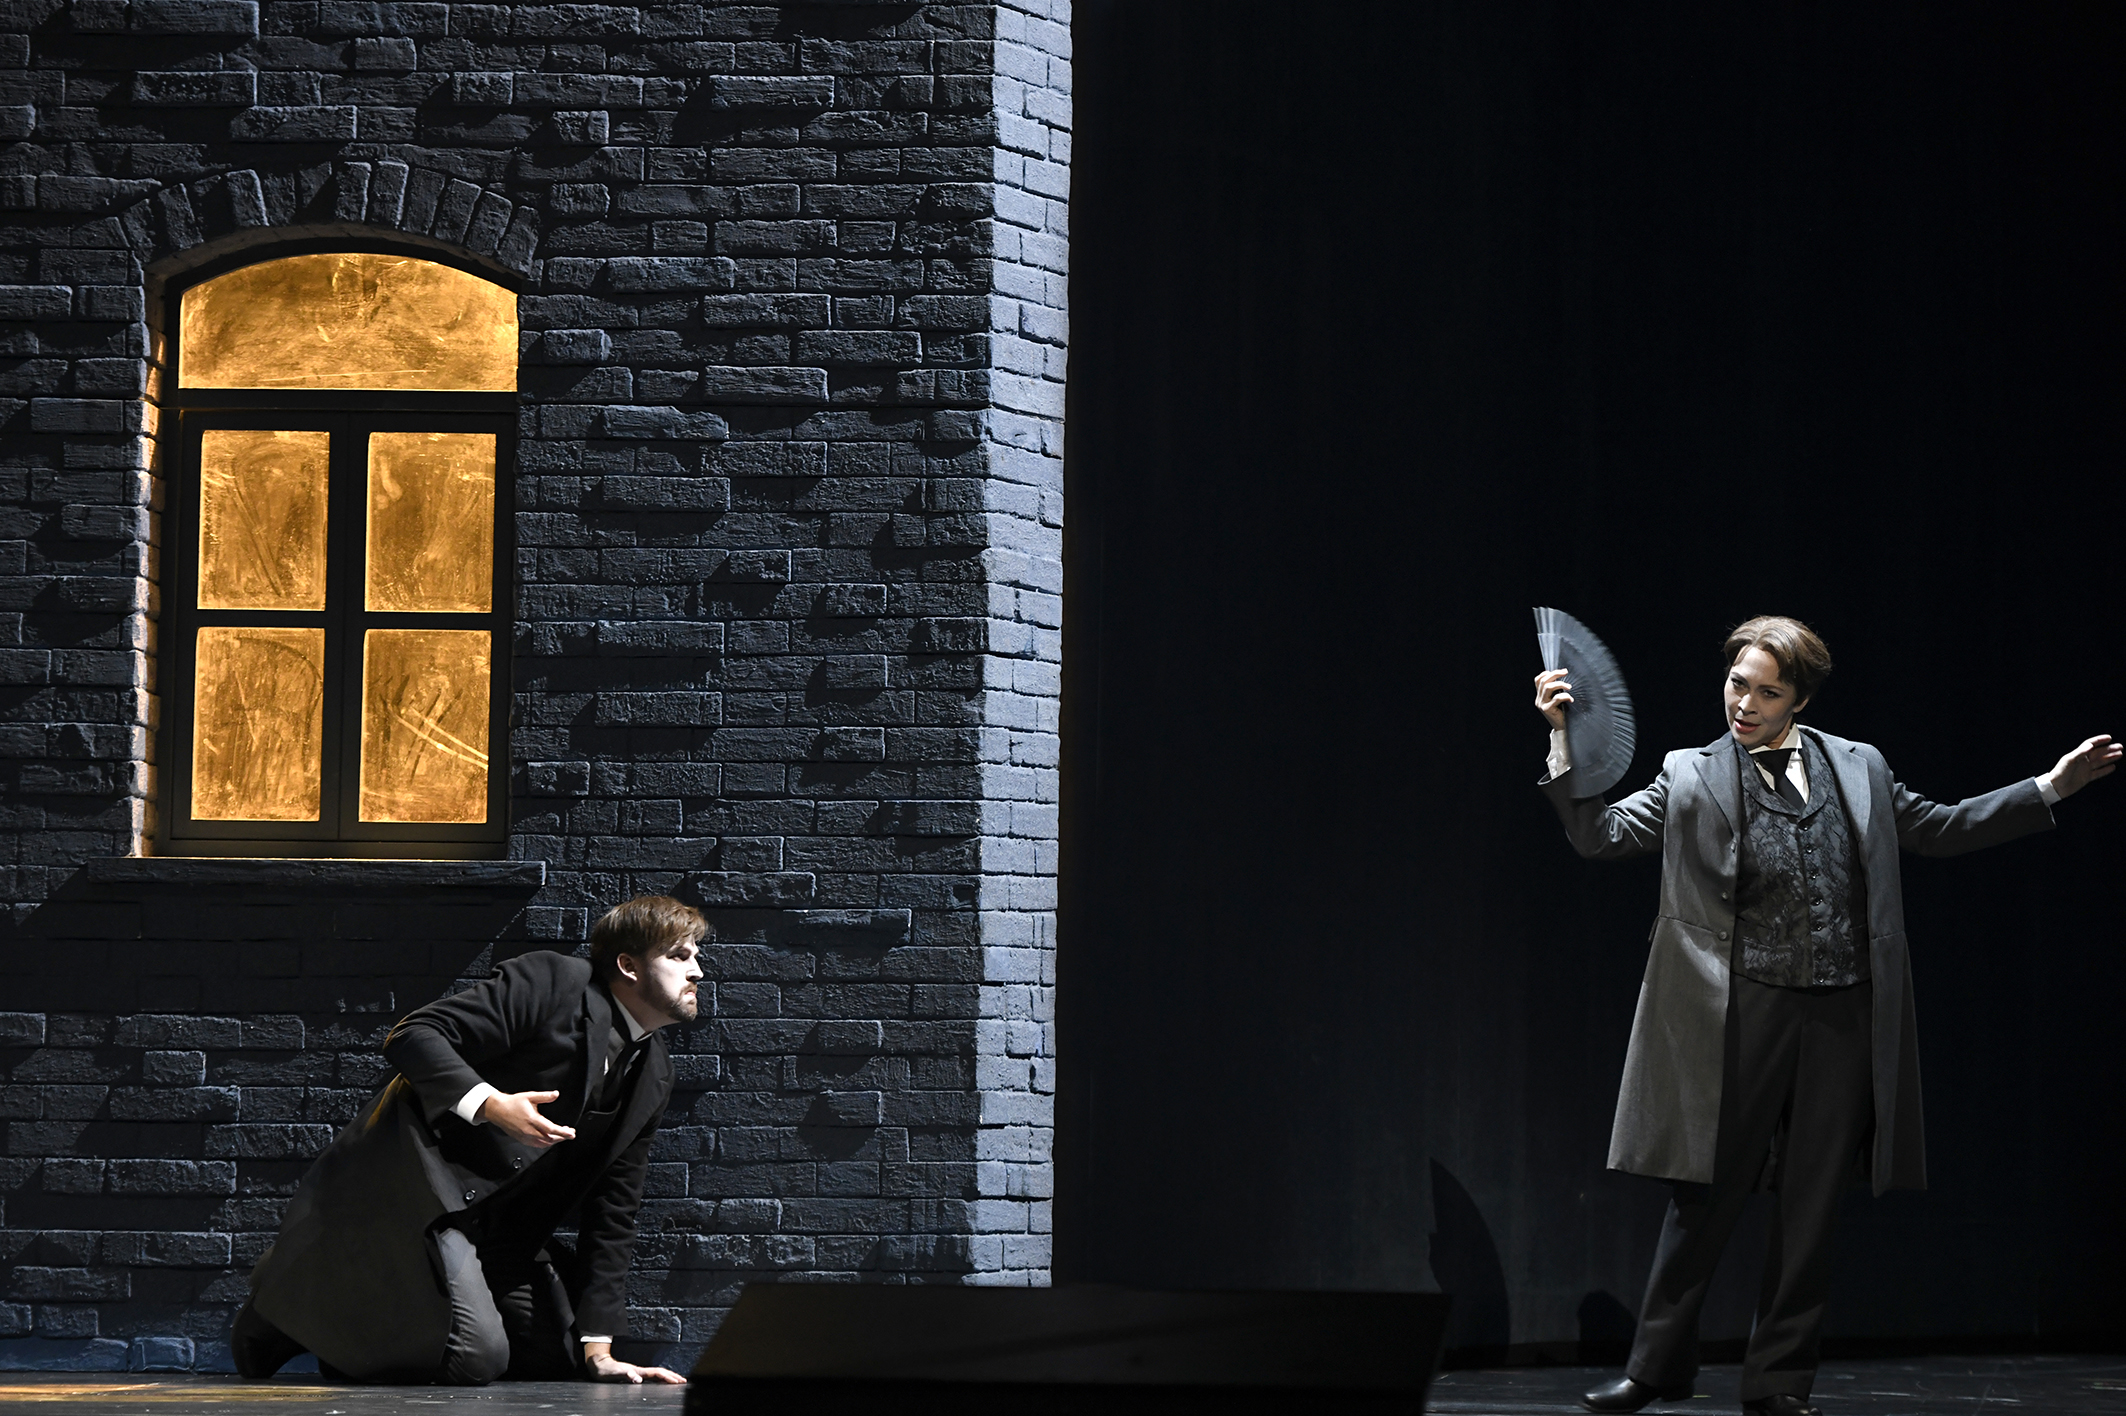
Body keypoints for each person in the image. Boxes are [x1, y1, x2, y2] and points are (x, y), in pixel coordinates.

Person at [1535, 616, 2116, 1416]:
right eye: (1738, 684)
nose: (1745, 704)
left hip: (1843, 1009)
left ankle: (1778, 1381)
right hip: (1741, 1008)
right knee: (1705, 1198)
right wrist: (1564, 741)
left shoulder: (1859, 765)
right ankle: (1658, 1366)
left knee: (1811, 1206)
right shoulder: (1689, 772)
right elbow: (1599, 836)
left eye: (1768, 692)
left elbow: (1939, 827)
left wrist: (2050, 787)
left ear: (1800, 700)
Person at [228, 896, 709, 1386]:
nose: (697, 971)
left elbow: (613, 1212)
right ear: (628, 966)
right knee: (474, 1360)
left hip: (499, 1234)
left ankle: (350, 1321)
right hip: (421, 1193)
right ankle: (291, 1304)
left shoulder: (653, 1073)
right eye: (678, 956)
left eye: (695, 955)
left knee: (561, 1358)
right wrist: (491, 1104)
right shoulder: (556, 981)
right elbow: (415, 1034)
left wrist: (599, 1350)